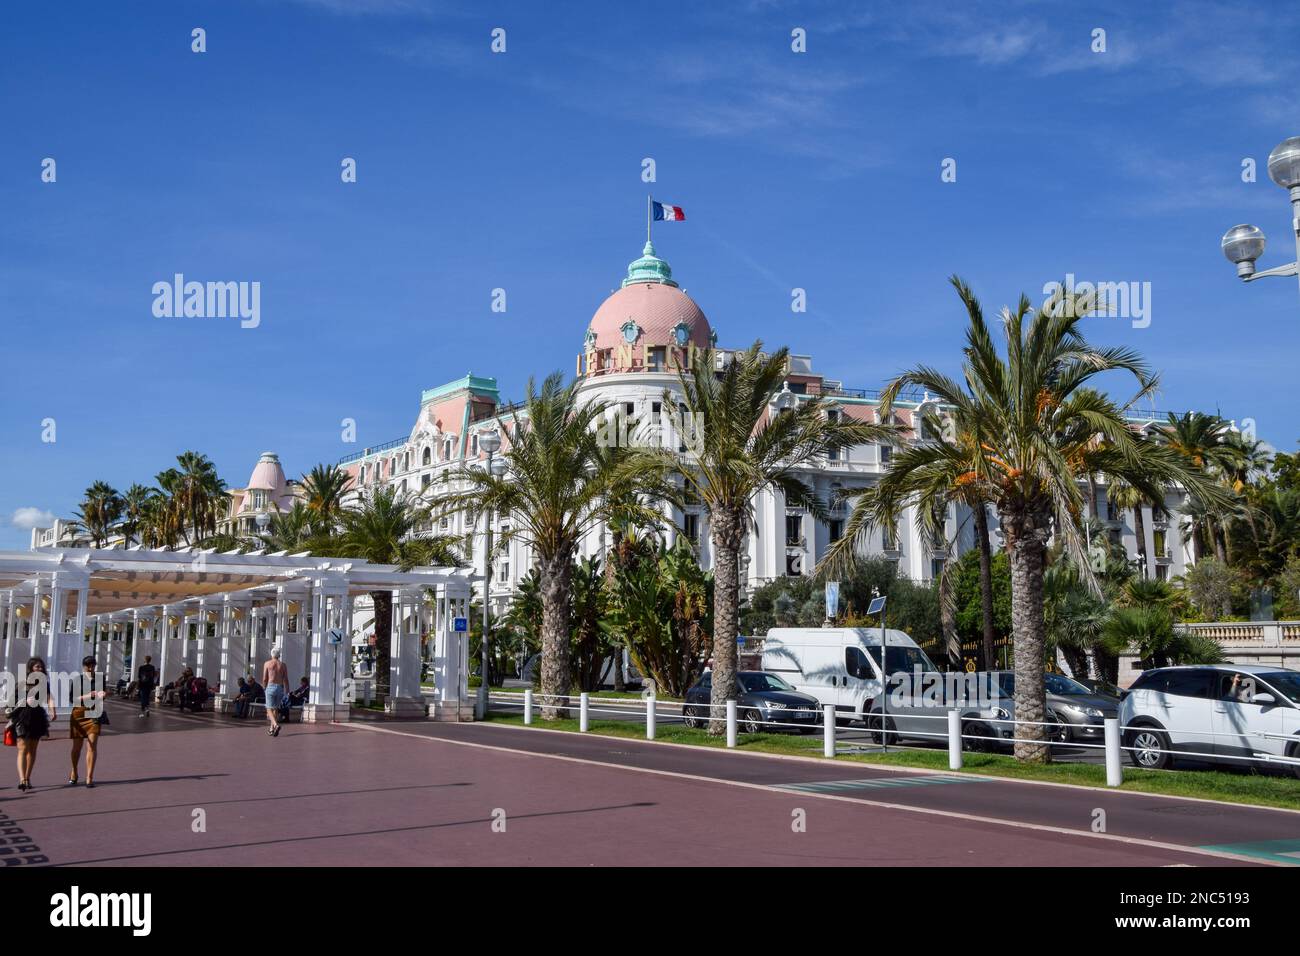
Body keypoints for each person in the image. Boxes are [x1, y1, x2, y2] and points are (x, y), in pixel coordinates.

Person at [9, 658, 56, 792]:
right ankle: (22, 779)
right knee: (22, 748)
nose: (40, 669)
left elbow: (49, 698)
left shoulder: (44, 684)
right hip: (22, 717)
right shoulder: (22, 683)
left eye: (41, 667)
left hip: (37, 718)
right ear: (30, 668)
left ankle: (28, 777)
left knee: (33, 750)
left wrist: (53, 710)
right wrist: (24, 701)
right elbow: (12, 700)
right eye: (37, 667)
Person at [68, 655, 107, 788]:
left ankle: (89, 777)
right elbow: (72, 698)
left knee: (92, 746)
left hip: (94, 712)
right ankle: (74, 771)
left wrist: (104, 695)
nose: (90, 668)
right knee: (76, 748)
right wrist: (88, 695)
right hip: (79, 713)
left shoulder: (100, 679)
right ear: (83, 666)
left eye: (92, 665)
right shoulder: (77, 679)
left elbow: (103, 694)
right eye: (88, 666)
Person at [262, 648, 288, 737]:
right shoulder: (283, 665)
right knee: (275, 708)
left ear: (272, 655)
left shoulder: (267, 663)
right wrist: (287, 691)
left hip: (271, 686)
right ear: (279, 655)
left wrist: (264, 688)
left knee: (269, 708)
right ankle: (271, 728)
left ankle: (276, 725)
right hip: (280, 687)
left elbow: (265, 678)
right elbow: (285, 679)